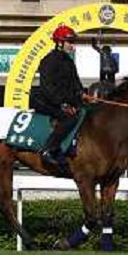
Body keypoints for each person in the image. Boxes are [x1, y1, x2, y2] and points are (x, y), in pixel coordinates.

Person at [31, 24, 86, 165]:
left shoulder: (68, 61)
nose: (72, 46)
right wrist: (63, 104)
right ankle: (48, 149)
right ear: (60, 43)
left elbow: (76, 83)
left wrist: (83, 94)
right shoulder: (49, 60)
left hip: (64, 101)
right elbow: (48, 88)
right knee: (70, 118)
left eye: (73, 42)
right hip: (47, 101)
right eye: (70, 42)